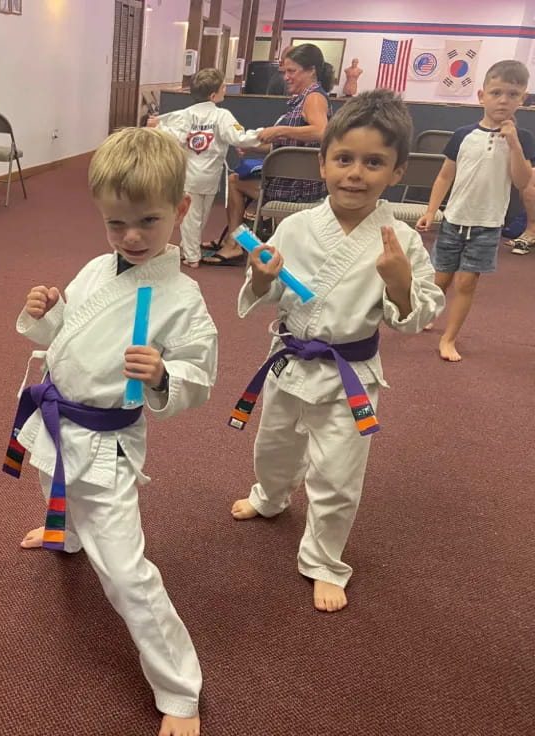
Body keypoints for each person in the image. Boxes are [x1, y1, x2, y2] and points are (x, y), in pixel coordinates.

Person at [6, 127, 217, 736]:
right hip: (58, 413)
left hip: (105, 436)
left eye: (147, 222)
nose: (129, 238)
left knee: (125, 570)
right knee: (53, 482)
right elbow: (63, 341)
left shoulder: (183, 299)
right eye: (115, 224)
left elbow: (197, 379)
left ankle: (179, 689)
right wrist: (46, 313)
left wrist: (162, 374)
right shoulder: (99, 269)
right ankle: (65, 532)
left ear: (180, 211)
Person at [228, 90, 444, 613]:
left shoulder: (400, 241)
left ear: (397, 171)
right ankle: (271, 496)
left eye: (374, 163)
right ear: (322, 161)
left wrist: (398, 284)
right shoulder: (296, 226)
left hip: (351, 375)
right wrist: (261, 279)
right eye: (343, 158)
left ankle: (324, 561)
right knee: (274, 449)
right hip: (288, 363)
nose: (355, 173)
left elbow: (420, 314)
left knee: (338, 476)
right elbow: (269, 292)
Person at [416, 60, 534, 362]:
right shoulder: (463, 134)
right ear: (482, 96)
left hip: (488, 223)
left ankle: (449, 337)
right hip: (455, 218)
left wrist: (515, 144)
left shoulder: (523, 140)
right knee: (440, 279)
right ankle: (428, 315)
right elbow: (445, 176)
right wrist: (431, 211)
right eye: (496, 92)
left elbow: (522, 182)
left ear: (523, 99)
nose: (503, 100)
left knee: (467, 282)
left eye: (512, 94)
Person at [203, 43, 333, 266]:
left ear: (311, 70)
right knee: (240, 178)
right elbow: (291, 143)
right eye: (284, 72)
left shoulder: (313, 97)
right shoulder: (303, 98)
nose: (286, 77)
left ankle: (234, 245)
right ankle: (233, 240)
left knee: (235, 182)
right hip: (293, 179)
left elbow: (322, 131)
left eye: (292, 71)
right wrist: (255, 146)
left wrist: (279, 130)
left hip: (300, 187)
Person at [148, 68, 260, 268]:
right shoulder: (222, 115)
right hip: (210, 175)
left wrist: (157, 126)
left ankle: (190, 252)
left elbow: (173, 137)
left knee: (191, 217)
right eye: (223, 87)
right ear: (213, 95)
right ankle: (192, 255)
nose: (225, 89)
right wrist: (262, 134)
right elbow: (238, 137)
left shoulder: (185, 115)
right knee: (201, 216)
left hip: (189, 174)